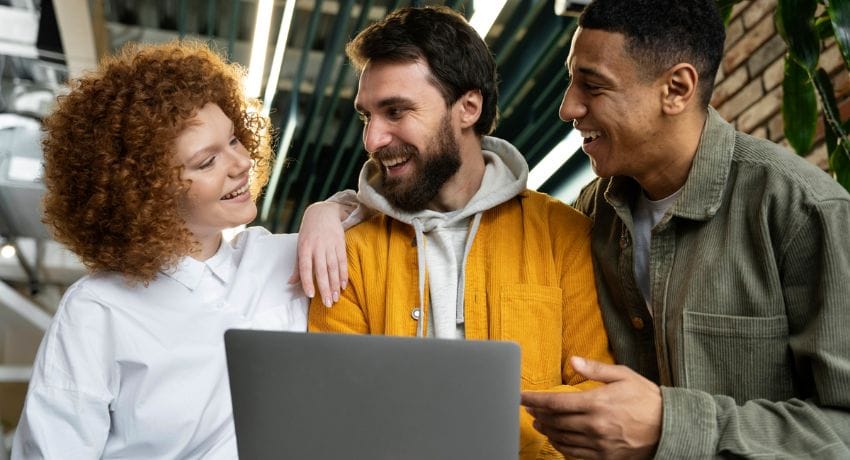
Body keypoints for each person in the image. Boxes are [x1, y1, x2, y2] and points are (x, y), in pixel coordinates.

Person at [521, 0, 850, 458]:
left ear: (676, 89)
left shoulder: (802, 209)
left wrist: (670, 427)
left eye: (592, 85)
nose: (567, 107)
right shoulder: (587, 218)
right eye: (571, 81)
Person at [12, 41, 348, 458]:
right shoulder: (97, 311)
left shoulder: (283, 258)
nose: (240, 163)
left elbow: (398, 212)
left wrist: (328, 209)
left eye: (234, 140)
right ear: (145, 192)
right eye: (206, 162)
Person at [307, 6, 613, 459]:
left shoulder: (562, 234)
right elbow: (333, 412)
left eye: (396, 111)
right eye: (366, 116)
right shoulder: (349, 252)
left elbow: (594, 393)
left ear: (467, 108)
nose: (372, 139)